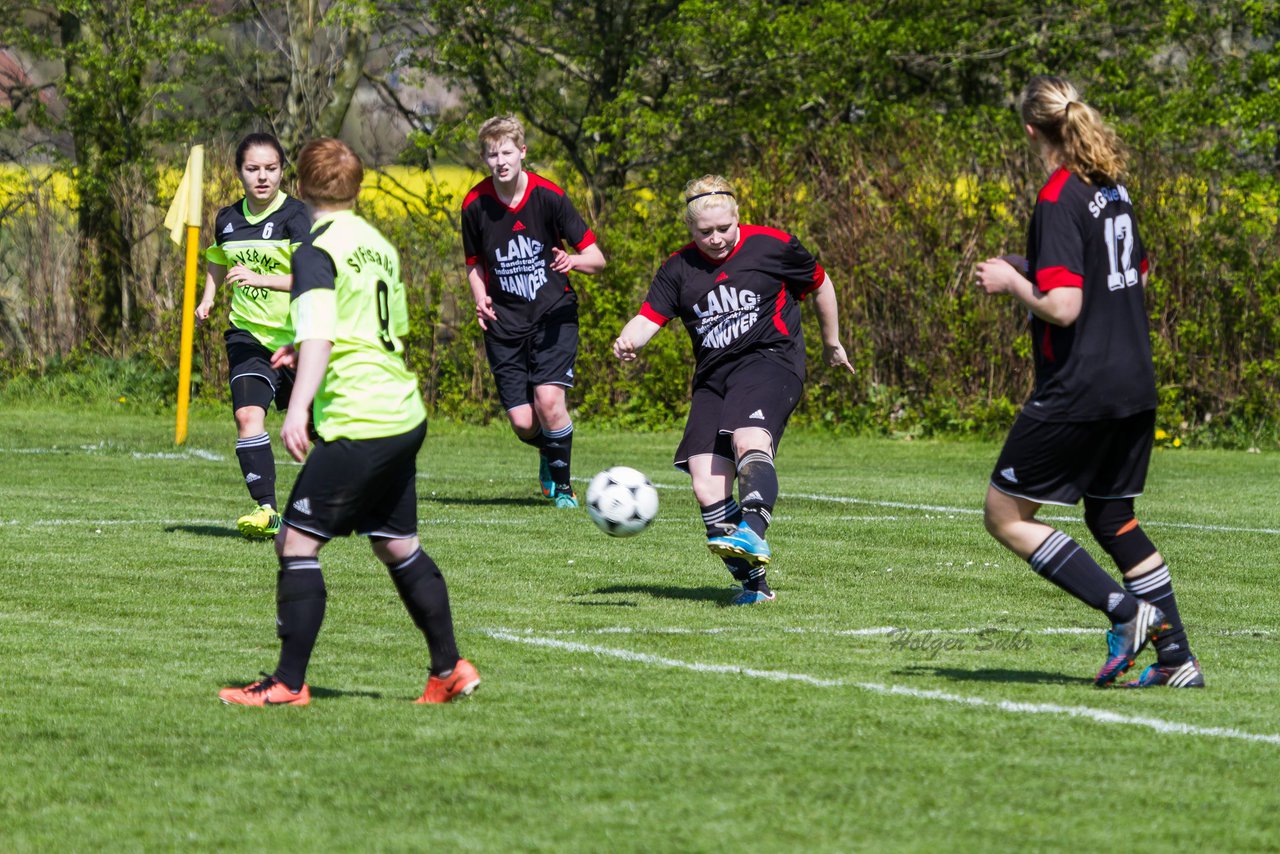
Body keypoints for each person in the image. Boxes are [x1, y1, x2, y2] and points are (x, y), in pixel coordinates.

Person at [219, 138, 479, 706]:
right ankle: (449, 668)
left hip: (360, 419)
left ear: (303, 188)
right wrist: (299, 352)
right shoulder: (378, 244)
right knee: (396, 544)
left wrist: (301, 405)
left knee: (295, 543)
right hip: (402, 411)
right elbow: (382, 327)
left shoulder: (315, 248)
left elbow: (320, 332)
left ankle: (287, 684)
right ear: (356, 187)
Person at [974, 75, 1203, 688]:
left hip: (1082, 386)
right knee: (1112, 519)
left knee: (1005, 514)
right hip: (1134, 379)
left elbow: (1067, 307)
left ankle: (1126, 614)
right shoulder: (1113, 188)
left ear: (1031, 131)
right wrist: (1037, 271)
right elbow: (1134, 279)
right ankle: (1177, 659)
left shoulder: (1056, 196)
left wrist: (1014, 284)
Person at [612, 175, 854, 606]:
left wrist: (831, 342)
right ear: (690, 230)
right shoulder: (678, 268)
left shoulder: (774, 245)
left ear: (737, 216)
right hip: (714, 377)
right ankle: (756, 589)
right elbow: (648, 318)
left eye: (723, 228)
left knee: (749, 440)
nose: (717, 238)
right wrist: (628, 340)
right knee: (707, 485)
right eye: (705, 232)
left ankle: (754, 531)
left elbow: (821, 283)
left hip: (771, 360)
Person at [461, 115, 606, 508]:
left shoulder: (549, 196)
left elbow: (597, 259)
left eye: (507, 152)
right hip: (503, 322)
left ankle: (563, 488)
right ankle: (548, 450)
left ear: (523, 152)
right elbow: (474, 261)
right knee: (524, 424)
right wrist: (479, 296)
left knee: (548, 401)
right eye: (492, 154)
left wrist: (572, 262)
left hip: (553, 315)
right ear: (483, 158)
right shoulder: (474, 204)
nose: (501, 161)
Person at [196, 133, 311, 540]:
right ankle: (267, 510)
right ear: (239, 172)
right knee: (248, 416)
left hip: (300, 341)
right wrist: (208, 298)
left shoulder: (297, 216)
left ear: (282, 170)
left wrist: (259, 277)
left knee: (321, 435)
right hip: (248, 336)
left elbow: (311, 277)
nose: (262, 177)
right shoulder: (227, 219)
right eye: (253, 169)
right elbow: (216, 257)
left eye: (271, 168)